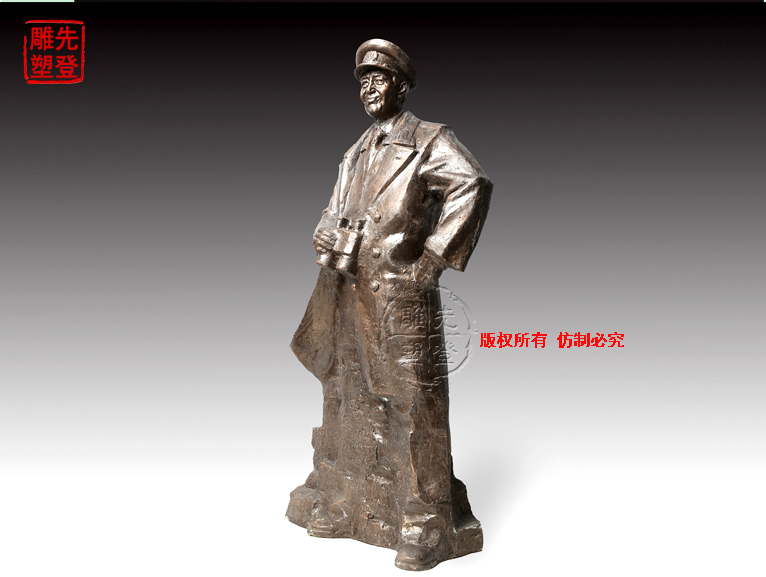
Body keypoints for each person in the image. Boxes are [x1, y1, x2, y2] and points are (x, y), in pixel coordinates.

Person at [287, 39, 492, 571]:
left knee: (414, 404)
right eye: (363, 81)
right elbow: (333, 211)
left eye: (378, 79)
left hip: (398, 295)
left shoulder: (428, 140)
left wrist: (432, 261)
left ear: (401, 86)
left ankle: (425, 521)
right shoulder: (354, 153)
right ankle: (344, 499)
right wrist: (325, 233)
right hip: (345, 290)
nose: (369, 89)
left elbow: (471, 184)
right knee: (347, 391)